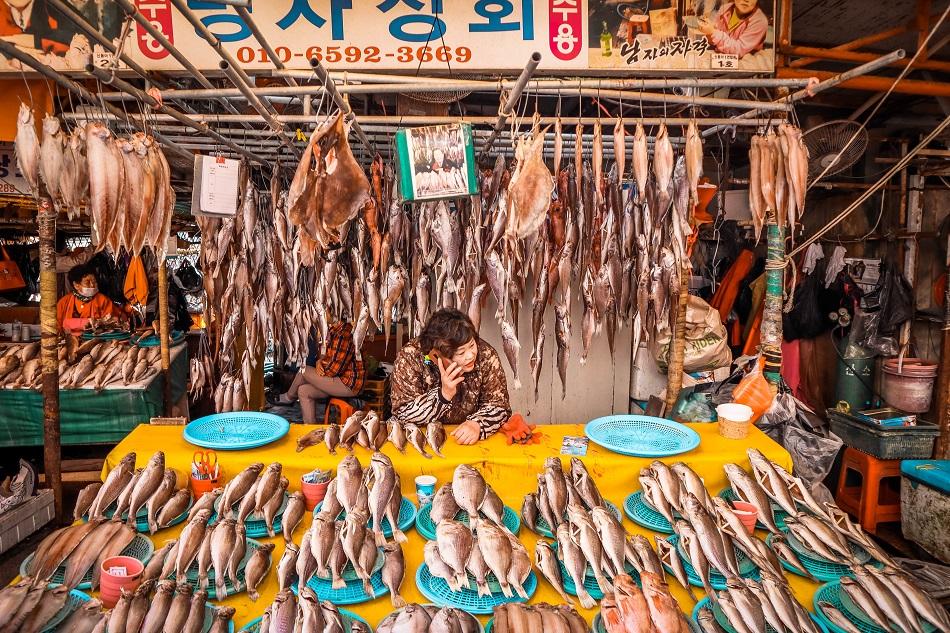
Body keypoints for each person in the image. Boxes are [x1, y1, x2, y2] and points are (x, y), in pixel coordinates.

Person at [390, 309, 511, 445]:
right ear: (437, 356)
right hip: (421, 442)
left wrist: (478, 424)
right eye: (461, 353)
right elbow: (402, 415)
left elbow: (499, 406)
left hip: (466, 442)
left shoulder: (486, 354)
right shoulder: (410, 357)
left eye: (472, 345)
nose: (471, 355)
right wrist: (442, 396)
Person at [272, 320, 366, 424]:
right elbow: (324, 354)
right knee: (303, 391)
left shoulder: (344, 333)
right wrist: (319, 362)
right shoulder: (332, 330)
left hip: (348, 384)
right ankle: (311, 429)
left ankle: (288, 398)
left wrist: (319, 365)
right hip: (337, 380)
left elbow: (333, 370)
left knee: (304, 370)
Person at [56, 263, 127, 332]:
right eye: (87, 282)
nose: (92, 285)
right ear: (76, 285)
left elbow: (112, 322)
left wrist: (101, 322)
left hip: (96, 340)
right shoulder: (64, 302)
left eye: (94, 281)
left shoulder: (102, 300)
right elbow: (56, 325)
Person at [697, 0, 768, 58]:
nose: (747, 0)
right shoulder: (725, 8)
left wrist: (713, 32)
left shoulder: (760, 21)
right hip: (721, 55)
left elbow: (738, 50)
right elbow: (714, 38)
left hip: (744, 61)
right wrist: (708, 31)